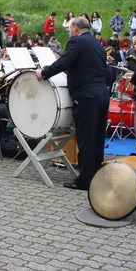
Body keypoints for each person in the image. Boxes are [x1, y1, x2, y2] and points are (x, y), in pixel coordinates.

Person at [36, 17, 109, 190]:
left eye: (70, 28)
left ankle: (84, 180)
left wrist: (44, 73)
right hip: (102, 93)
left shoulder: (76, 42)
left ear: (75, 28)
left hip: (87, 95)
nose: (69, 31)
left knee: (85, 137)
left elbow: (63, 62)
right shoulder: (97, 44)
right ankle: (95, 174)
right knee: (97, 136)